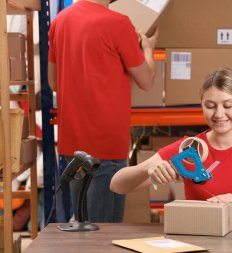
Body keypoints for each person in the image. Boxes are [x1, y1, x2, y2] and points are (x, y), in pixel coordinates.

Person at [110, 67, 232, 225]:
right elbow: (116, 186)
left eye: (228, 105)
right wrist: (148, 168)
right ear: (201, 105)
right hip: (200, 238)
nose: (219, 114)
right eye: (210, 106)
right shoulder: (189, 148)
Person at [47, 0, 159, 222]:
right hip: (106, 147)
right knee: (102, 233)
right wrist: (148, 49)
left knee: (83, 224)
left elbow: (53, 82)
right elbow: (146, 80)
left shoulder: (60, 21)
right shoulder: (118, 24)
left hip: (73, 144)